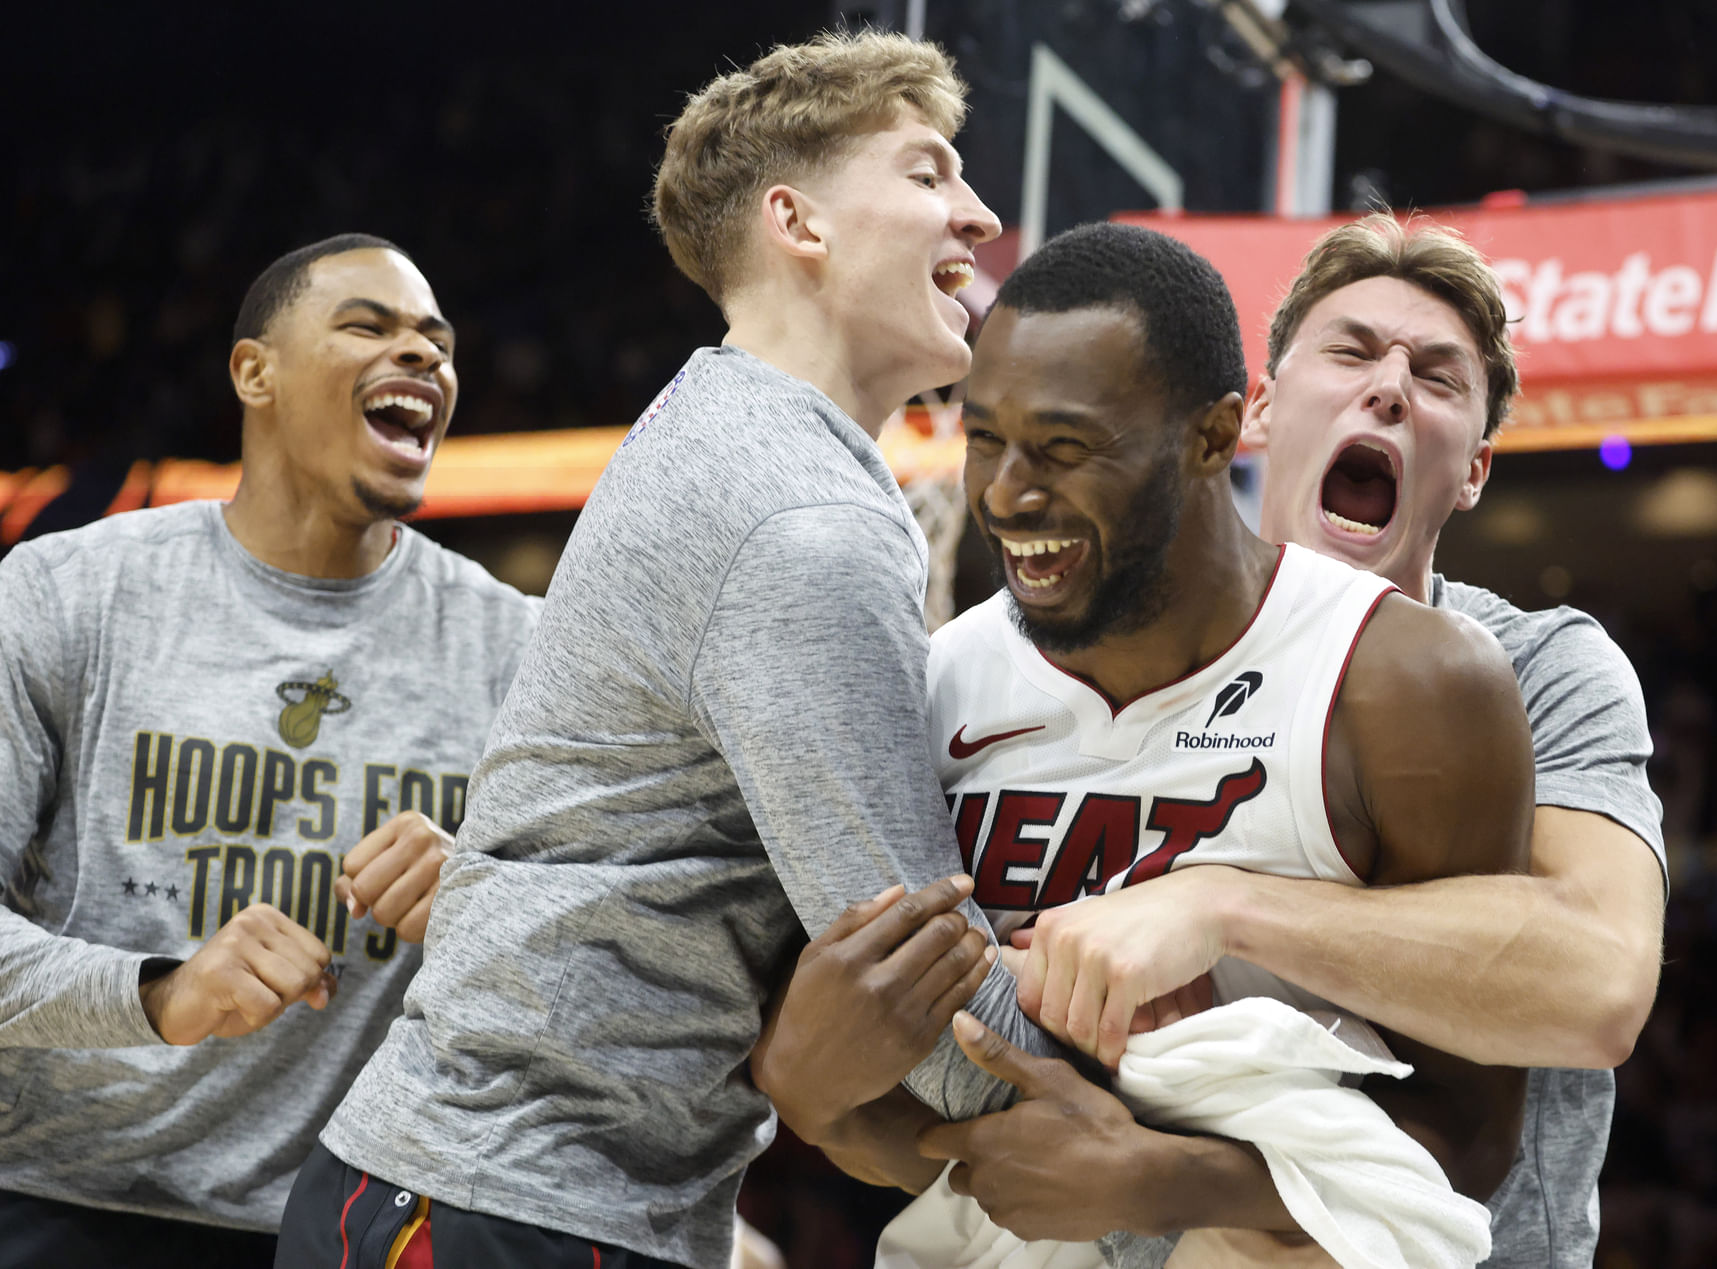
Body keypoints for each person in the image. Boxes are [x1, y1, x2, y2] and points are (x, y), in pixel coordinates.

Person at [275, 31, 1077, 1269]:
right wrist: (1199, 1169)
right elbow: (918, 984)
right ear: (797, 222)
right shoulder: (796, 514)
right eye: (928, 173)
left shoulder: (725, 429)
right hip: (513, 1205)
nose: (977, 213)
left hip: (498, 1188)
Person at [750, 221, 1540, 1264]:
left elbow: (1475, 1132)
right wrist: (810, 1094)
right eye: (986, 439)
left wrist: (1164, 1180)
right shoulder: (934, 684)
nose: (1006, 494)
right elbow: (922, 1129)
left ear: (1213, 437)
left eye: (1065, 448)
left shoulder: (1409, 684)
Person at [998, 213, 1668, 1268]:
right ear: (1259, 410)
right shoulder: (1091, 659)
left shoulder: (1542, 667)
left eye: (1437, 378)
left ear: (1475, 469)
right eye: (1351, 352)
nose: (1390, 387)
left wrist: (1219, 907)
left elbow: (1596, 986)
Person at [0, 233, 541, 1268]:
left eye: (437, 343)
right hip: (56, 1198)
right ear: (255, 371)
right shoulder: (67, 595)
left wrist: (487, 902)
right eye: (368, 326)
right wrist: (161, 994)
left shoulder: (516, 648)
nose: (422, 356)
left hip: (349, 1221)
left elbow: (595, 961)